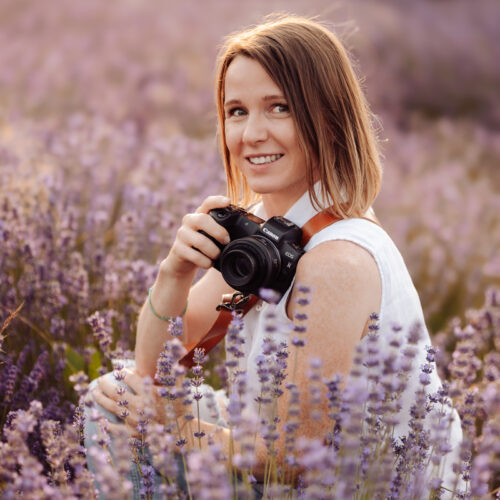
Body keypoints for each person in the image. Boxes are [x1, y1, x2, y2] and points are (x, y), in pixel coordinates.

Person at [85, 14, 463, 498]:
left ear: (326, 117)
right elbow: (158, 369)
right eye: (236, 111)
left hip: (373, 488)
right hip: (284, 468)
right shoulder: (268, 231)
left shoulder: (337, 259)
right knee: (116, 396)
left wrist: (174, 426)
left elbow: (296, 461)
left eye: (278, 108)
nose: (251, 134)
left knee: (135, 411)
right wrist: (173, 274)